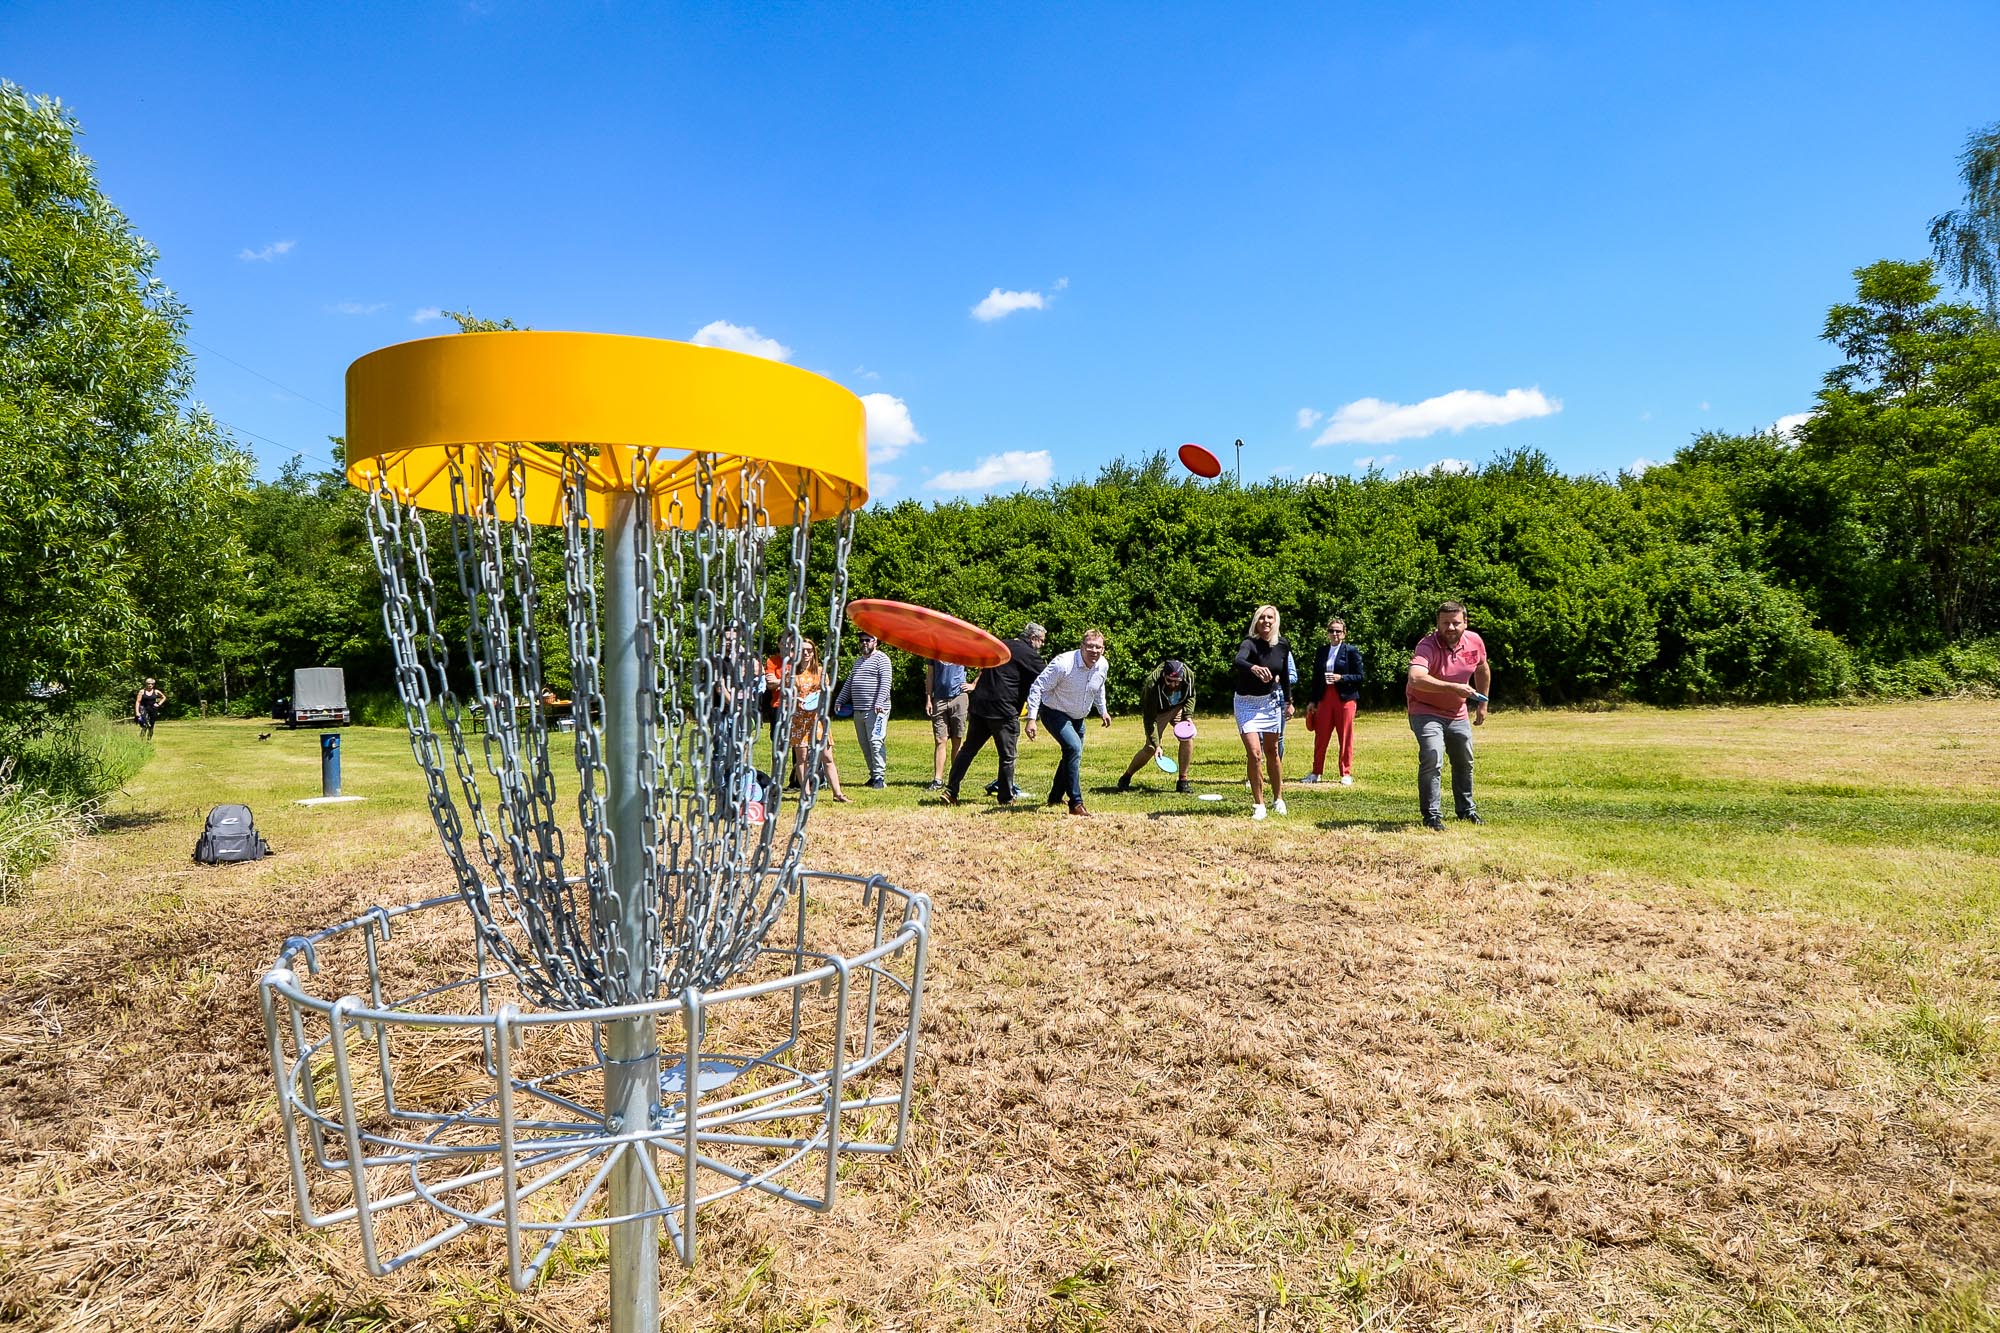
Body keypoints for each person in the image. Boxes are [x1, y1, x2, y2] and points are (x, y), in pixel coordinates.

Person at [1405, 601, 1491, 831]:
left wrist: (1483, 703)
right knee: (1433, 756)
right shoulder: (1427, 645)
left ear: (1465, 623)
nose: (1451, 628)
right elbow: (1415, 677)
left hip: (1457, 712)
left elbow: (1482, 668)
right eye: (1445, 623)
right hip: (1424, 709)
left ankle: (1466, 810)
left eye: (1456, 623)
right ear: (1438, 624)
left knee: (1464, 759)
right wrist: (1452, 688)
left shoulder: (1474, 642)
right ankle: (1431, 815)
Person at [944, 622, 1047, 806]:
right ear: (1033, 638)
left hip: (980, 706)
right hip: (1003, 710)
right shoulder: (1029, 655)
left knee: (968, 750)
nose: (1042, 645)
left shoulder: (1000, 645)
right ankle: (1006, 797)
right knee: (1007, 756)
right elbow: (1047, 678)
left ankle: (951, 790)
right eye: (1041, 641)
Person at [1024, 629, 1112, 816]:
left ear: (1103, 649)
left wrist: (1102, 710)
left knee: (1071, 754)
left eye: (1098, 647)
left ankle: (1055, 797)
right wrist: (1032, 719)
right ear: (1081, 647)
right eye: (1090, 646)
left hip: (1078, 716)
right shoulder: (1063, 664)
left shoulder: (1102, 665)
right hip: (1054, 712)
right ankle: (1076, 802)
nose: (1094, 650)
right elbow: (1037, 687)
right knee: (1073, 748)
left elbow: (1099, 687)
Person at [1232, 606, 1293, 821]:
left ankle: (1278, 798)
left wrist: (1289, 701)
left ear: (1276, 620)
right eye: (1262, 618)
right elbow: (1238, 660)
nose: (1266, 621)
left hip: (1270, 703)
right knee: (1254, 753)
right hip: (1246, 703)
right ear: (1256, 621)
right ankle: (1259, 804)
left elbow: (1284, 675)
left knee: (1272, 751)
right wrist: (1253, 668)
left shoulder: (1282, 644)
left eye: (1270, 617)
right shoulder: (1249, 643)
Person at [1117, 658, 1195, 794]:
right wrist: (1157, 745)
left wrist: (1187, 716)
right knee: (1151, 748)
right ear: (1164, 675)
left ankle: (1183, 781)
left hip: (1177, 708)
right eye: (1170, 680)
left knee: (1187, 738)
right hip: (1158, 712)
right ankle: (1126, 777)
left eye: (1177, 681)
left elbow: (1191, 696)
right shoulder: (1151, 684)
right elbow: (1149, 719)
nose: (1174, 684)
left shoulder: (1188, 675)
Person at [1302, 618, 1364, 785]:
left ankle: (1345, 773)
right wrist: (1313, 700)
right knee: (1321, 736)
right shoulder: (1322, 651)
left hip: (1345, 699)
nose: (1334, 634)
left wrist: (1341, 678)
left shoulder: (1351, 651)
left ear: (1344, 633)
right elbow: (1316, 678)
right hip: (1324, 697)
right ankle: (1316, 772)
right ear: (1327, 633)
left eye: (1338, 631)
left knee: (1345, 736)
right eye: (1331, 630)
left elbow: (1360, 676)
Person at [789, 638, 849, 803]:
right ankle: (806, 793)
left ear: (814, 653)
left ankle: (838, 793)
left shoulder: (821, 672)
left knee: (827, 757)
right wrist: (797, 701)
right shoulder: (792, 674)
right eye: (803, 650)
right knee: (802, 759)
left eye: (809, 650)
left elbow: (826, 694)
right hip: (800, 720)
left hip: (818, 720)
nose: (806, 653)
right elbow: (790, 696)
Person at [833, 631, 892, 789]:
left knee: (875, 741)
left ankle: (880, 777)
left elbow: (886, 682)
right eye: (861, 640)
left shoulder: (882, 659)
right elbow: (849, 683)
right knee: (864, 743)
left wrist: (879, 701)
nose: (864, 643)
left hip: (876, 710)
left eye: (867, 640)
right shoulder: (859, 661)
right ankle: (873, 775)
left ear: (876, 641)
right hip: (859, 709)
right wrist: (839, 700)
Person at [923, 657, 970, 791]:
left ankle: (955, 779)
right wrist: (928, 699)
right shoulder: (934, 651)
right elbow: (930, 675)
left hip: (959, 697)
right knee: (940, 739)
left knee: (957, 739)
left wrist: (973, 684)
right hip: (939, 699)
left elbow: (983, 665)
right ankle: (938, 779)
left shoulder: (963, 649)